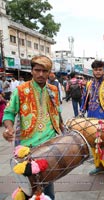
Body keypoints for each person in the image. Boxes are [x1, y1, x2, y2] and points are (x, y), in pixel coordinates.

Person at [2, 55, 63, 199]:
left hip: (50, 145)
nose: (41, 74)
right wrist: (8, 129)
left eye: (44, 71)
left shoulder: (53, 89)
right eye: (37, 70)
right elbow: (9, 113)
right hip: (28, 147)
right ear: (32, 71)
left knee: (48, 186)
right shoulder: (20, 90)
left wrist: (63, 129)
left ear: (49, 73)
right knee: (29, 188)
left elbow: (57, 111)